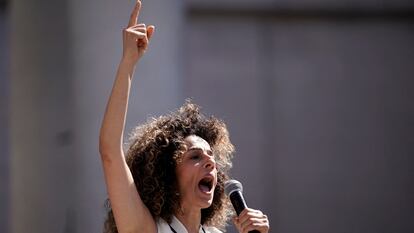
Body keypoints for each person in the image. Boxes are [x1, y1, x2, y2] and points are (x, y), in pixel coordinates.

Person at [99, 1, 270, 233]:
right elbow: (110, 151)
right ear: (167, 174)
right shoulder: (148, 229)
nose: (211, 163)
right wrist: (128, 62)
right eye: (195, 157)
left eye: (211, 155)